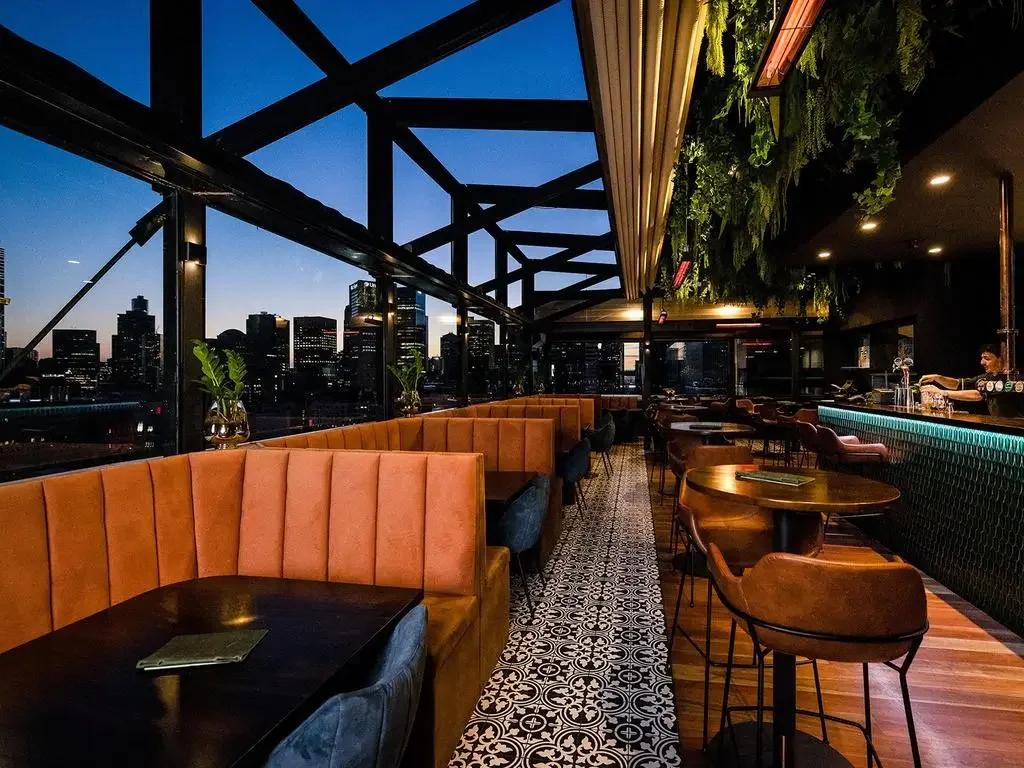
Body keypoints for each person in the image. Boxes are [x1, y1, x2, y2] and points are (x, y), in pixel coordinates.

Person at [919, 343, 1023, 418]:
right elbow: (958, 384)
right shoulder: (987, 377)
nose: (982, 362)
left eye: (987, 358)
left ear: (1001, 359)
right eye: (982, 358)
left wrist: (942, 392)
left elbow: (978, 395)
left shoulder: (1010, 379)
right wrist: (937, 377)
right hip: (1001, 426)